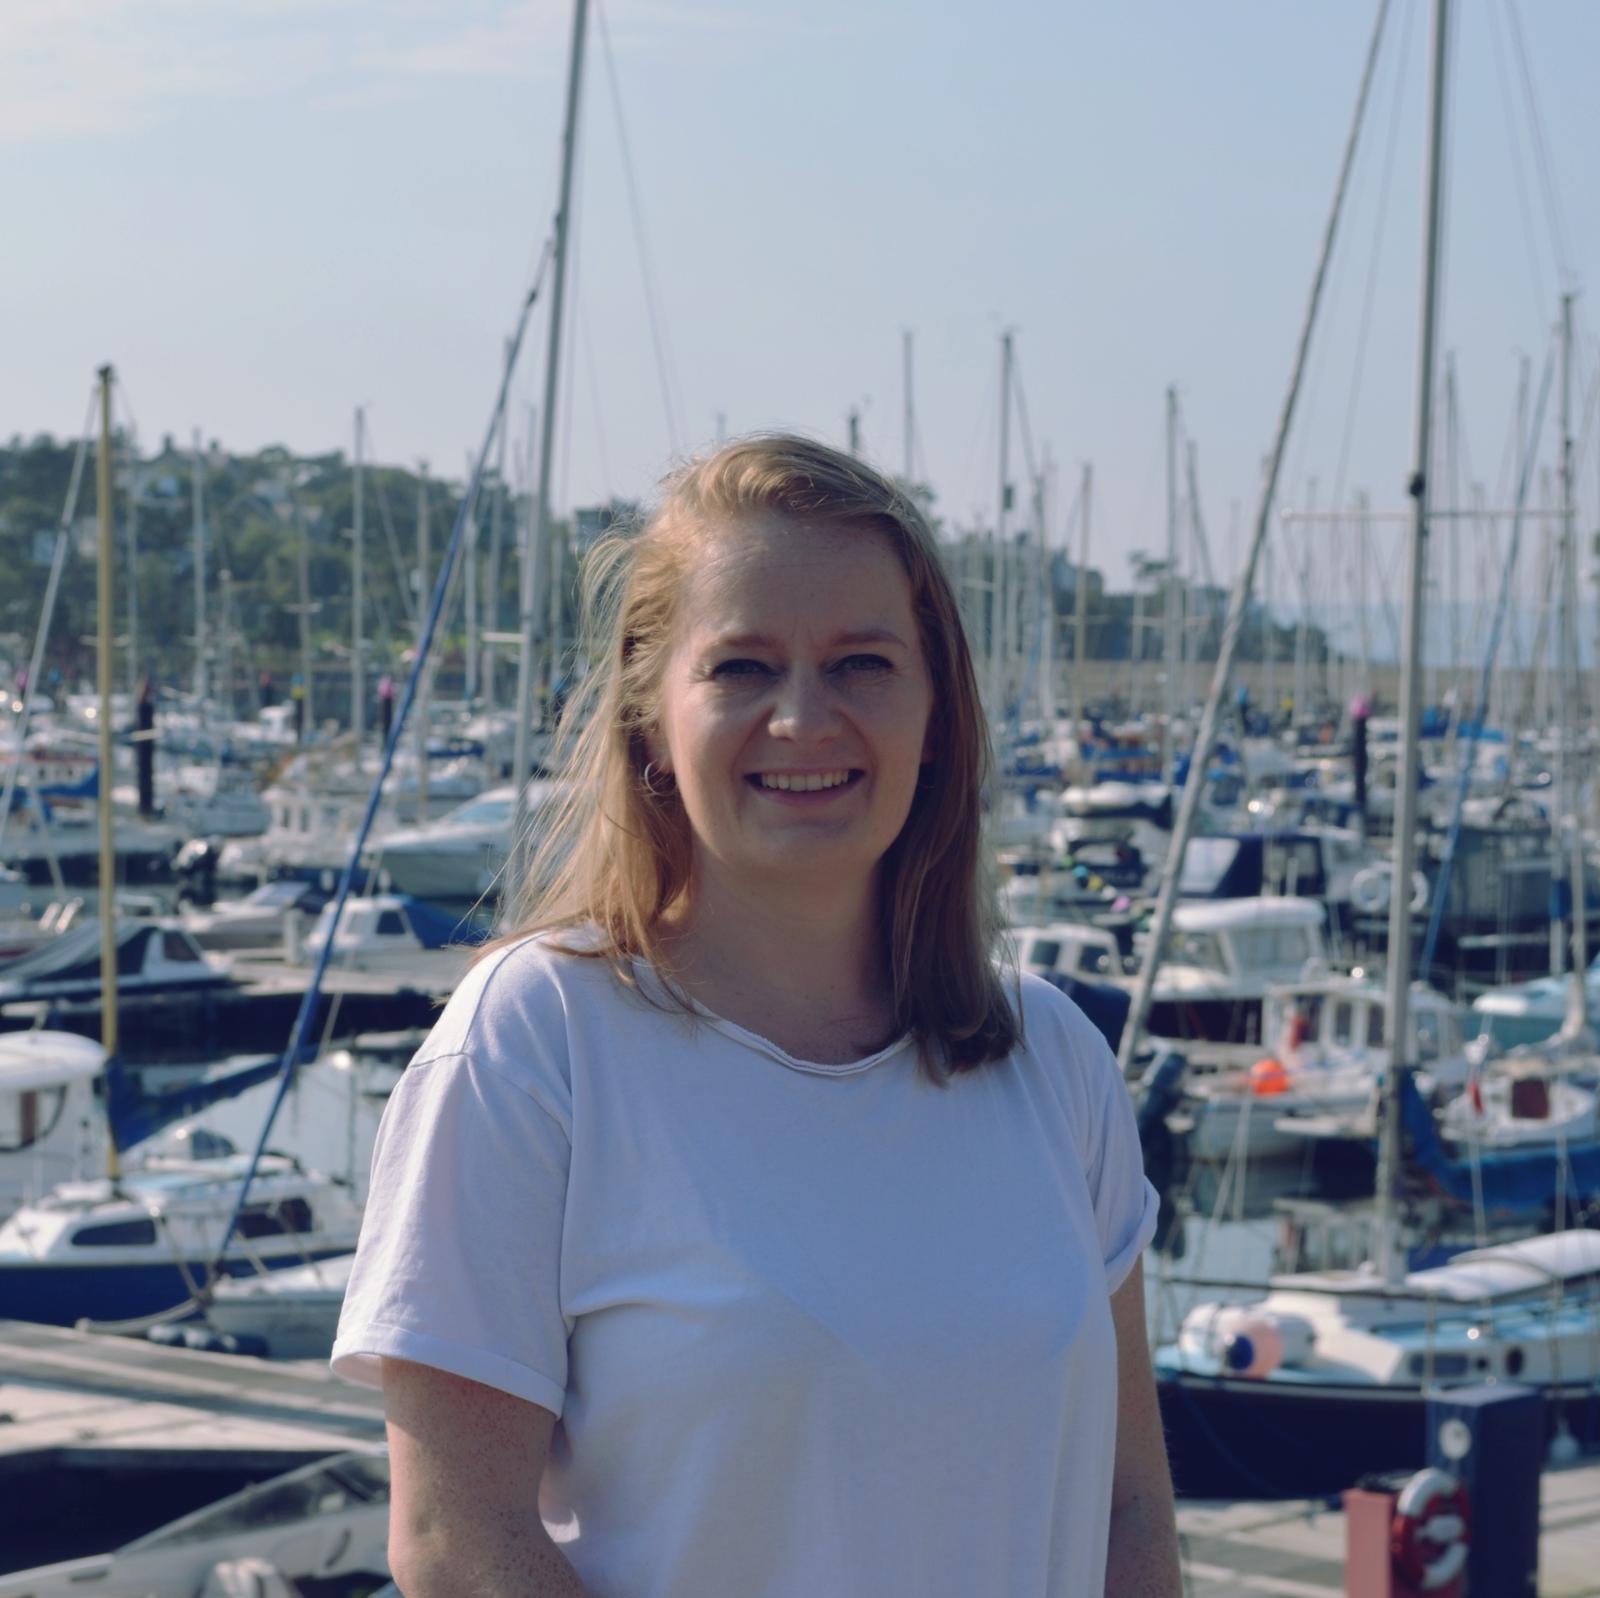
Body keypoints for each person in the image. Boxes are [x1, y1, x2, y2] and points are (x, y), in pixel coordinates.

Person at [331, 434, 1181, 1597]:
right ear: (651, 721)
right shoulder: (538, 1041)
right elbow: (456, 1539)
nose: (803, 717)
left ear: (935, 709)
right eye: (741, 667)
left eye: (862, 662)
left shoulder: (1055, 1063)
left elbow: (1128, 1513)